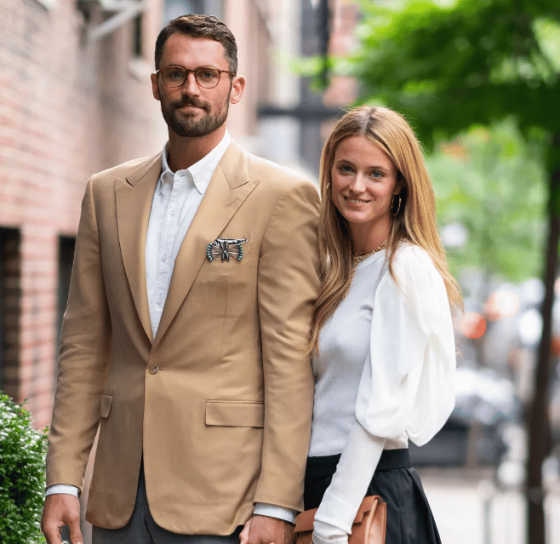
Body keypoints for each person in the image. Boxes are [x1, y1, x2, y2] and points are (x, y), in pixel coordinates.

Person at [41, 14, 320, 544]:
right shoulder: (106, 193)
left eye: (207, 75)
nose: (191, 88)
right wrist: (63, 481)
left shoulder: (280, 198)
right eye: (176, 74)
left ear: (235, 87)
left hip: (225, 498)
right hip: (119, 494)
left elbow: (289, 363)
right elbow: (82, 349)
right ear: (155, 85)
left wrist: (278, 503)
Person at [304, 106, 462, 544]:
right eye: (346, 169)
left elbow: (380, 408)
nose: (357, 186)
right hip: (317, 489)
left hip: (364, 499)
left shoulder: (404, 267)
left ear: (399, 186)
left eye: (376, 174)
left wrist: (333, 523)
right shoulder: (338, 271)